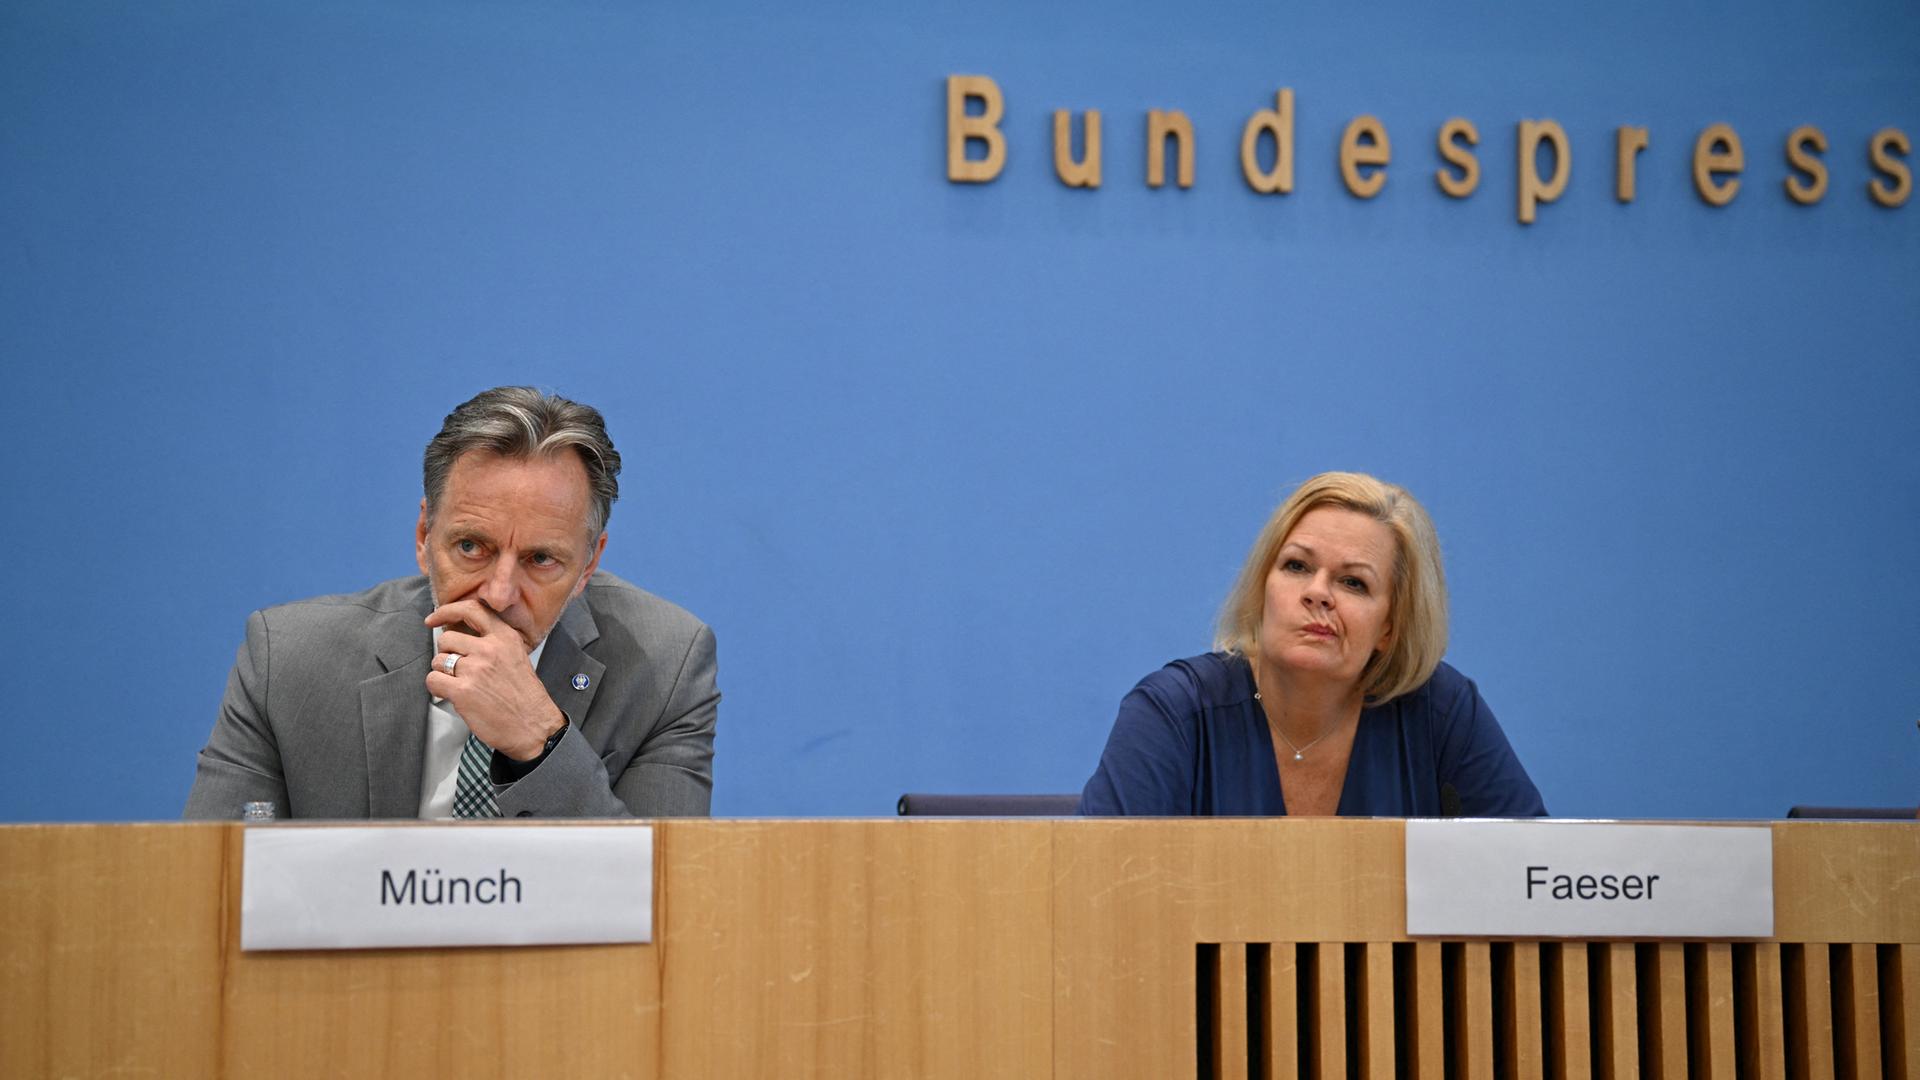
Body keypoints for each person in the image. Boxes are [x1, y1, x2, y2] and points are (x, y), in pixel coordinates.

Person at [184, 386, 718, 819]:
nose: (499, 593)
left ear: (588, 565)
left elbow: (664, 892)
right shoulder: (288, 661)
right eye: (471, 547)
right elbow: (215, 884)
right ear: (424, 536)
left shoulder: (664, 667)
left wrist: (542, 741)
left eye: (541, 559)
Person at [1079, 471, 1543, 817]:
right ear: (1262, 588)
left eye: (1353, 582)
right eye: (1297, 566)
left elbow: (1533, 879)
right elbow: (1095, 889)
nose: (1317, 593)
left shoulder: (1441, 714)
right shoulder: (1173, 713)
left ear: (1389, 627)